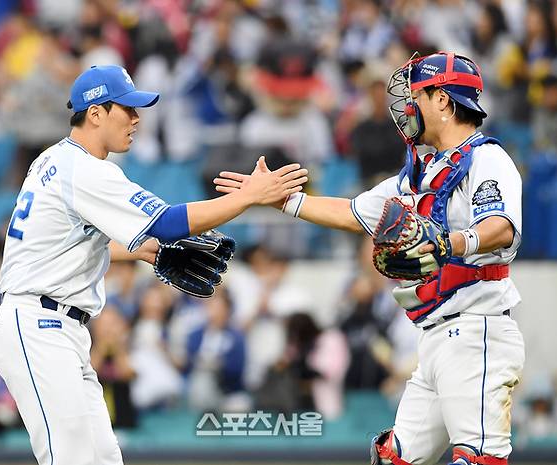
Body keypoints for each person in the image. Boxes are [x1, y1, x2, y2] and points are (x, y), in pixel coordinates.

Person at [215, 52, 525, 465]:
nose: (406, 107)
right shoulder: (421, 170)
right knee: (394, 458)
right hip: (435, 338)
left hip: (477, 330)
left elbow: (501, 226)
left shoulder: (487, 159)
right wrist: (282, 201)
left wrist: (450, 242)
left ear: (444, 103)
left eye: (417, 95)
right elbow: (354, 213)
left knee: (480, 460)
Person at [0, 64, 308, 465]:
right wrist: (250, 197)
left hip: (54, 325)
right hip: (39, 325)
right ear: (96, 113)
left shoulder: (55, 160)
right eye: (127, 108)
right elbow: (168, 222)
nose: (137, 118)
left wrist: (142, 250)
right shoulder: (86, 170)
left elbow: (61, 241)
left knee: (103, 458)